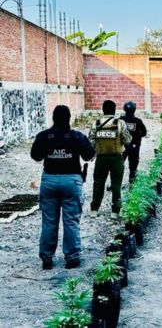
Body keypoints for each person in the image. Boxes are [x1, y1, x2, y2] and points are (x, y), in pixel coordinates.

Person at [31, 105, 96, 269]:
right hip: (71, 181)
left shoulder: (44, 136)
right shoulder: (76, 136)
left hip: (49, 181)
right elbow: (89, 155)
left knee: (49, 222)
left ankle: (47, 258)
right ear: (68, 118)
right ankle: (72, 258)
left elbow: (35, 156)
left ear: (53, 118)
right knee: (71, 221)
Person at [89, 100, 132, 219]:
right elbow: (128, 140)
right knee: (116, 185)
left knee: (98, 183)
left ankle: (94, 210)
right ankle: (115, 212)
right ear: (114, 110)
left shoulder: (96, 123)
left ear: (103, 110)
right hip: (117, 158)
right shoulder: (120, 123)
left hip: (101, 158)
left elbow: (91, 141)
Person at [120, 101, 147, 185]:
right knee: (133, 164)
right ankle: (132, 180)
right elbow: (144, 133)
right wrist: (136, 136)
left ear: (124, 109)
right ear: (135, 109)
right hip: (134, 146)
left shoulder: (120, 120)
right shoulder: (138, 121)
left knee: (119, 165)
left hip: (122, 146)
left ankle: (116, 182)